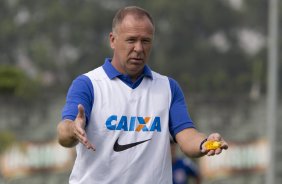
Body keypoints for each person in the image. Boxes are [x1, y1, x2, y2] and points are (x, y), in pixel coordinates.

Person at [57, 6, 228, 184]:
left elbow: (187, 137)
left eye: (145, 41)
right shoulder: (88, 84)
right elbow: (64, 132)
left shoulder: (168, 88)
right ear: (113, 40)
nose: (139, 48)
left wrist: (205, 143)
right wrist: (73, 129)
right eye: (131, 40)